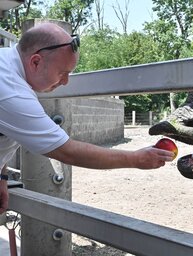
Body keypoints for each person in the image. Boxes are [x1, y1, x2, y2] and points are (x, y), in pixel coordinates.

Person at [0, 23, 175, 214]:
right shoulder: (11, 92)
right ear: (35, 62)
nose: (65, 82)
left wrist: (2, 178)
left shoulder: (8, 63)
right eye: (62, 73)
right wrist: (135, 159)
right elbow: (67, 151)